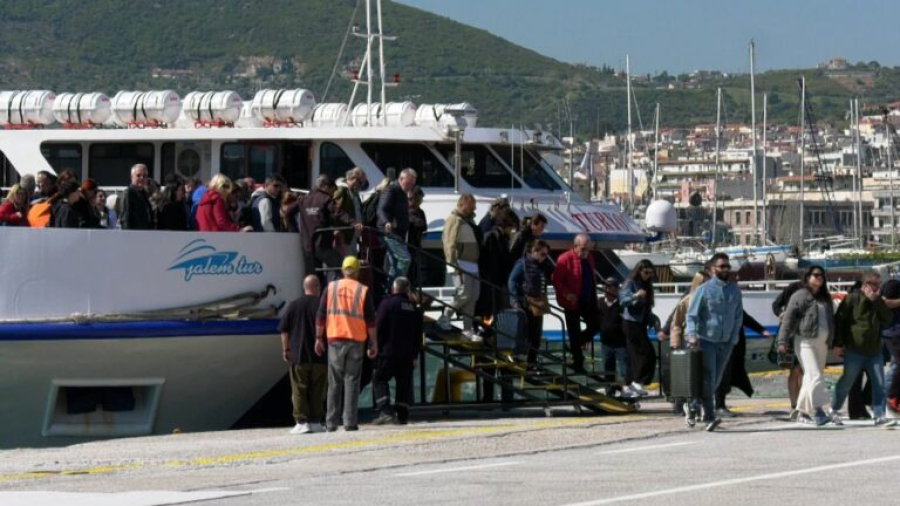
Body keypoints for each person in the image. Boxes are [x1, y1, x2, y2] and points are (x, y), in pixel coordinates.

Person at [315, 256, 378, 432]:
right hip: (356, 341)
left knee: (334, 382)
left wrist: (318, 338)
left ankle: (331, 422)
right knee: (352, 381)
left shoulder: (331, 288)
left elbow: (320, 316)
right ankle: (350, 422)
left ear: (343, 270)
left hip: (335, 339)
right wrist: (374, 343)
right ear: (358, 272)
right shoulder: (363, 290)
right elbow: (371, 321)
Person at [686, 253, 743, 431]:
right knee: (709, 377)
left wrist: (733, 339)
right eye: (722, 266)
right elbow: (692, 315)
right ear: (712, 269)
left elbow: (738, 317)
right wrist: (693, 335)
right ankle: (709, 416)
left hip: (726, 342)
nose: (726, 269)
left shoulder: (735, 291)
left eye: (728, 266)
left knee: (716, 380)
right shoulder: (703, 290)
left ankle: (694, 404)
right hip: (706, 339)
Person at [830, 270, 896, 426]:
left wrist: (876, 301)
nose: (878, 288)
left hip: (874, 351)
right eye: (875, 284)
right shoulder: (853, 299)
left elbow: (888, 319)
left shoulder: (878, 300)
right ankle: (834, 409)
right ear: (865, 284)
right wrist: (837, 344)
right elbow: (840, 321)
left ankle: (879, 415)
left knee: (879, 383)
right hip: (854, 350)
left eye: (879, 284)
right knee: (847, 381)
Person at [776, 265, 837, 426]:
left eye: (821, 276)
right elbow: (788, 319)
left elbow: (831, 321)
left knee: (812, 376)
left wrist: (834, 341)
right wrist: (782, 341)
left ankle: (801, 412)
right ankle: (821, 410)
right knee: (814, 374)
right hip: (805, 341)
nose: (819, 278)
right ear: (808, 277)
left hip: (822, 343)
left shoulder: (825, 298)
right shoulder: (800, 295)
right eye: (816, 275)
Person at [280, 275, 328, 435]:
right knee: (318, 389)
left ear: (304, 287)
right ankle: (316, 422)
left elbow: (284, 330)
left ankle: (302, 422)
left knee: (299, 389)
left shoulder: (293, 305)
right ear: (318, 287)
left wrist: (285, 349)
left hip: (298, 355)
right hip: (320, 355)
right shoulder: (324, 305)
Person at [371, 277, 423, 425]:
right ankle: (402, 415)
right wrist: (414, 355)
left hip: (388, 353)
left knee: (379, 378)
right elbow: (418, 336)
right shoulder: (414, 309)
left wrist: (373, 345)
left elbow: (379, 327)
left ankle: (386, 411)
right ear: (407, 290)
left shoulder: (387, 304)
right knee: (404, 384)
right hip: (407, 355)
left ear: (393, 289)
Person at [552, 233, 601, 374]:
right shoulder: (565, 258)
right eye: (584, 249)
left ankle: (575, 344)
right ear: (575, 246)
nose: (586, 252)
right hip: (571, 302)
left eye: (588, 249)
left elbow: (591, 278)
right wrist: (567, 294)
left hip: (588, 300)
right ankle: (578, 363)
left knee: (597, 324)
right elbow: (556, 280)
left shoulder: (589, 258)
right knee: (574, 331)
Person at [438, 194, 483, 340]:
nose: (474, 208)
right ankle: (446, 315)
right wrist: (452, 264)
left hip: (472, 263)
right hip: (461, 263)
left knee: (473, 296)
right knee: (464, 293)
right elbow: (449, 243)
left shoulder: (467, 220)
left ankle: (467, 329)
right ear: (463, 204)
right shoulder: (454, 219)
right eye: (472, 206)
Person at [299, 175, 358, 282]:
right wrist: (353, 222)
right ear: (327, 187)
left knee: (313, 279)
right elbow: (338, 212)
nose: (333, 193)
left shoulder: (304, 199)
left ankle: (314, 298)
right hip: (322, 245)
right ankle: (337, 294)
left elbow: (287, 210)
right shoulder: (325, 199)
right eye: (333, 190)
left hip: (307, 246)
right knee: (342, 267)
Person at [619, 259, 663, 398]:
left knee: (637, 356)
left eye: (651, 273)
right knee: (646, 353)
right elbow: (623, 301)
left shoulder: (647, 285)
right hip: (631, 323)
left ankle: (631, 386)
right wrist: (635, 296)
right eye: (645, 272)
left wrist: (655, 323)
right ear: (639, 270)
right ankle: (636, 383)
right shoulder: (630, 282)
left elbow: (647, 310)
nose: (648, 275)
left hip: (641, 324)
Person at [509, 240, 553, 366]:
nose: (544, 257)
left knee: (536, 334)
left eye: (546, 255)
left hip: (538, 302)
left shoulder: (542, 265)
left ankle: (532, 361)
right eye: (542, 254)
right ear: (534, 251)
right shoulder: (522, 264)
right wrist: (515, 300)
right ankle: (516, 354)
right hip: (526, 302)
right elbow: (512, 281)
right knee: (524, 331)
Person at [475, 206, 517, 320]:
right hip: (493, 282)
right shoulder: (493, 237)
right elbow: (490, 262)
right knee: (495, 311)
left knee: (500, 311)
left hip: (498, 281)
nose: (512, 230)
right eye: (512, 226)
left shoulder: (501, 237)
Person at [377, 168, 417, 287]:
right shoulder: (391, 190)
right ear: (401, 179)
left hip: (399, 233)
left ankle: (391, 289)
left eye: (413, 184)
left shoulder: (402, 192)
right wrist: (386, 222)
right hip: (390, 232)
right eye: (409, 183)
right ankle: (398, 288)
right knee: (404, 259)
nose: (410, 187)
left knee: (395, 264)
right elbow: (381, 209)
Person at [772, 279, 805, 414]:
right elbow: (776, 305)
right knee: (795, 370)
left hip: (807, 334)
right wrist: (781, 314)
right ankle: (794, 404)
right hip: (791, 333)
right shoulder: (794, 287)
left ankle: (802, 404)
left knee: (804, 371)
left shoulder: (819, 292)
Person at [597, 277, 629, 383]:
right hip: (606, 343)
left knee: (625, 370)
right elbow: (593, 321)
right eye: (605, 286)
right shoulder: (599, 303)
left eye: (610, 286)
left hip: (621, 343)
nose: (606, 289)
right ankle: (610, 393)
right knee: (608, 371)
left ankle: (630, 394)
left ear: (616, 289)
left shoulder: (622, 304)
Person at [334, 167, 368, 254]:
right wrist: (338, 235)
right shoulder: (342, 191)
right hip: (344, 238)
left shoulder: (354, 193)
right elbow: (336, 212)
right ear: (353, 179)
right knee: (346, 263)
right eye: (360, 182)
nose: (361, 186)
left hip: (352, 236)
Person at [881, 279, 900, 414]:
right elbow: (884, 303)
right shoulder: (893, 284)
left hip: (894, 332)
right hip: (893, 332)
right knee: (897, 366)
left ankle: (893, 400)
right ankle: (887, 400)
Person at [119, 164, 154, 230]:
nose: (142, 178)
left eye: (144, 176)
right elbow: (125, 218)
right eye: (138, 175)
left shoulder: (145, 194)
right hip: (133, 235)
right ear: (132, 177)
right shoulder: (128, 193)